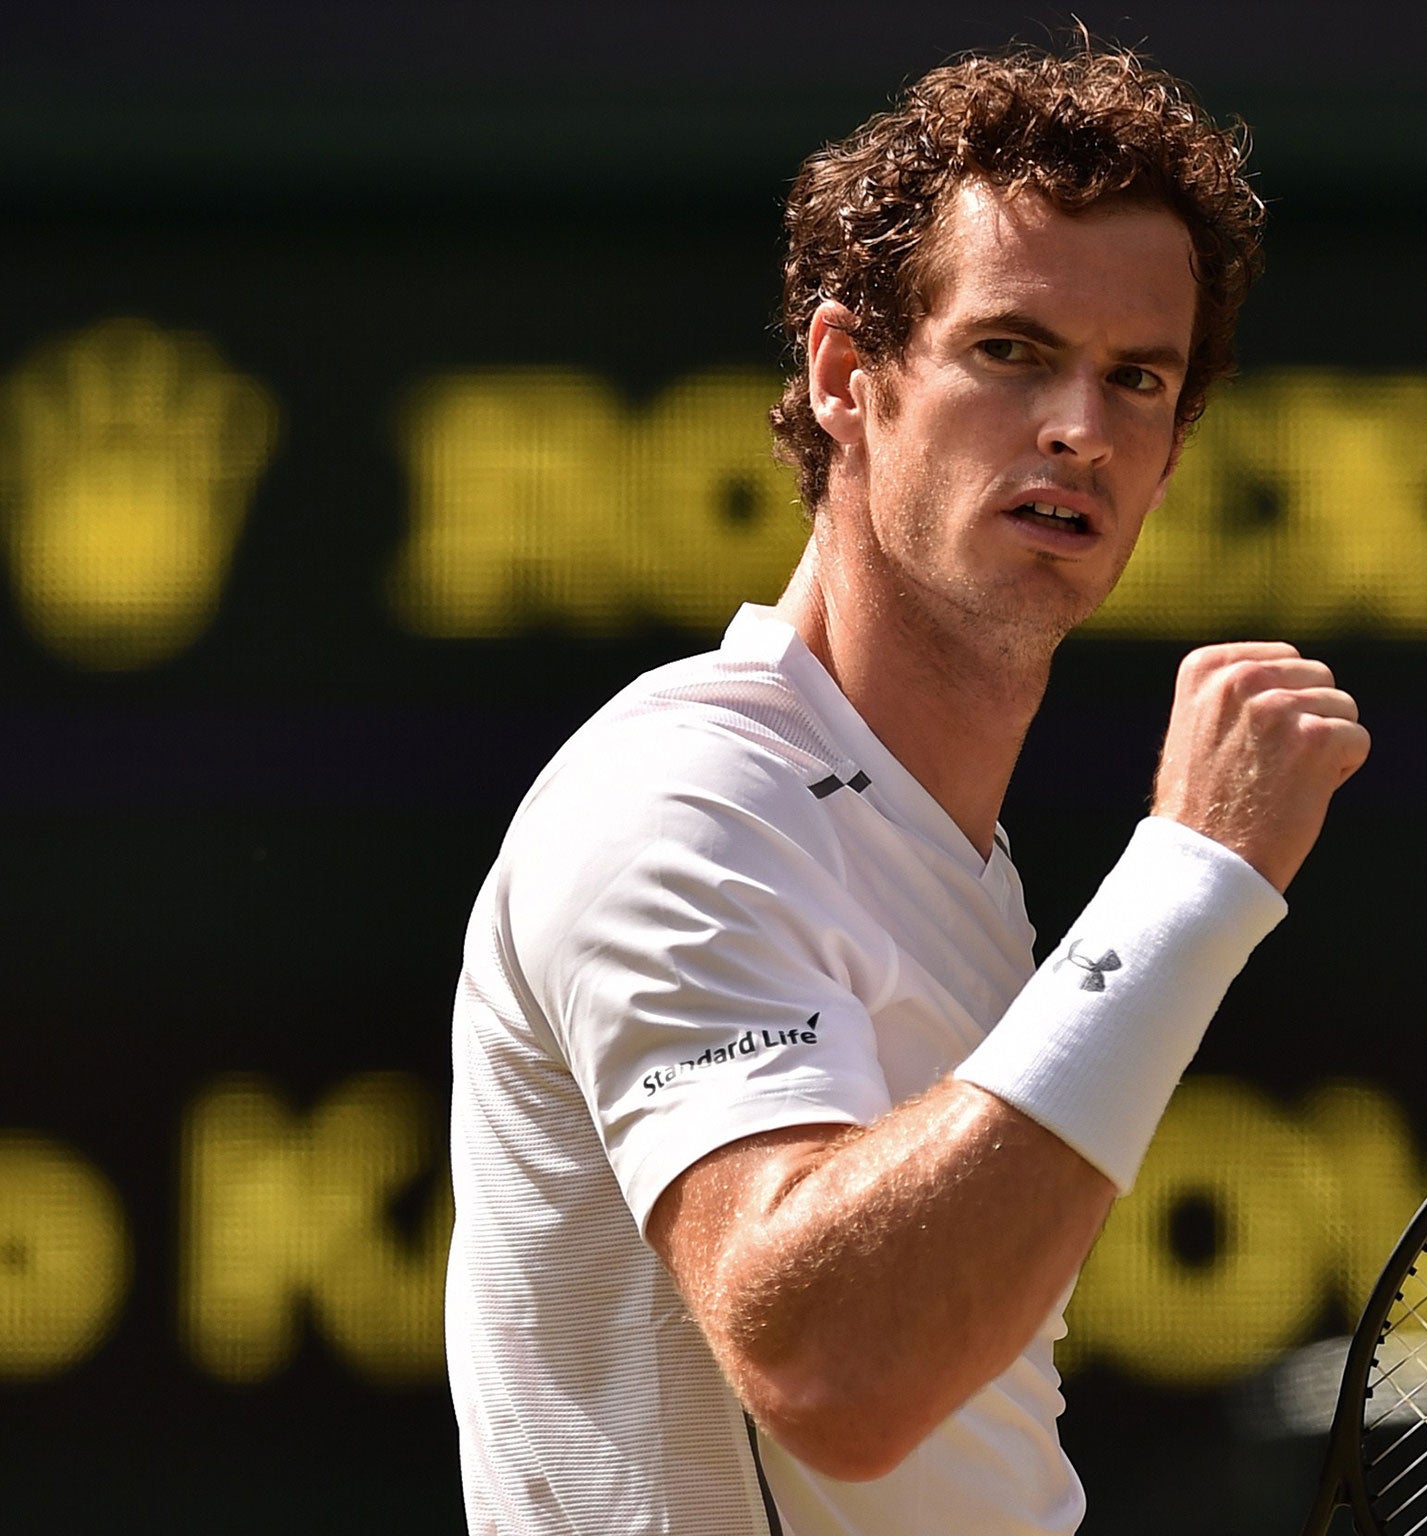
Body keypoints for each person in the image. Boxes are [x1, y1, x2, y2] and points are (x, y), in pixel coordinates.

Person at [445, 40, 1371, 1536]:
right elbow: (832, 1372)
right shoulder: (681, 799)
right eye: (1011, 350)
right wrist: (1193, 879)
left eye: (1138, 379)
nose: (1082, 424)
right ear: (842, 379)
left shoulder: (948, 866)